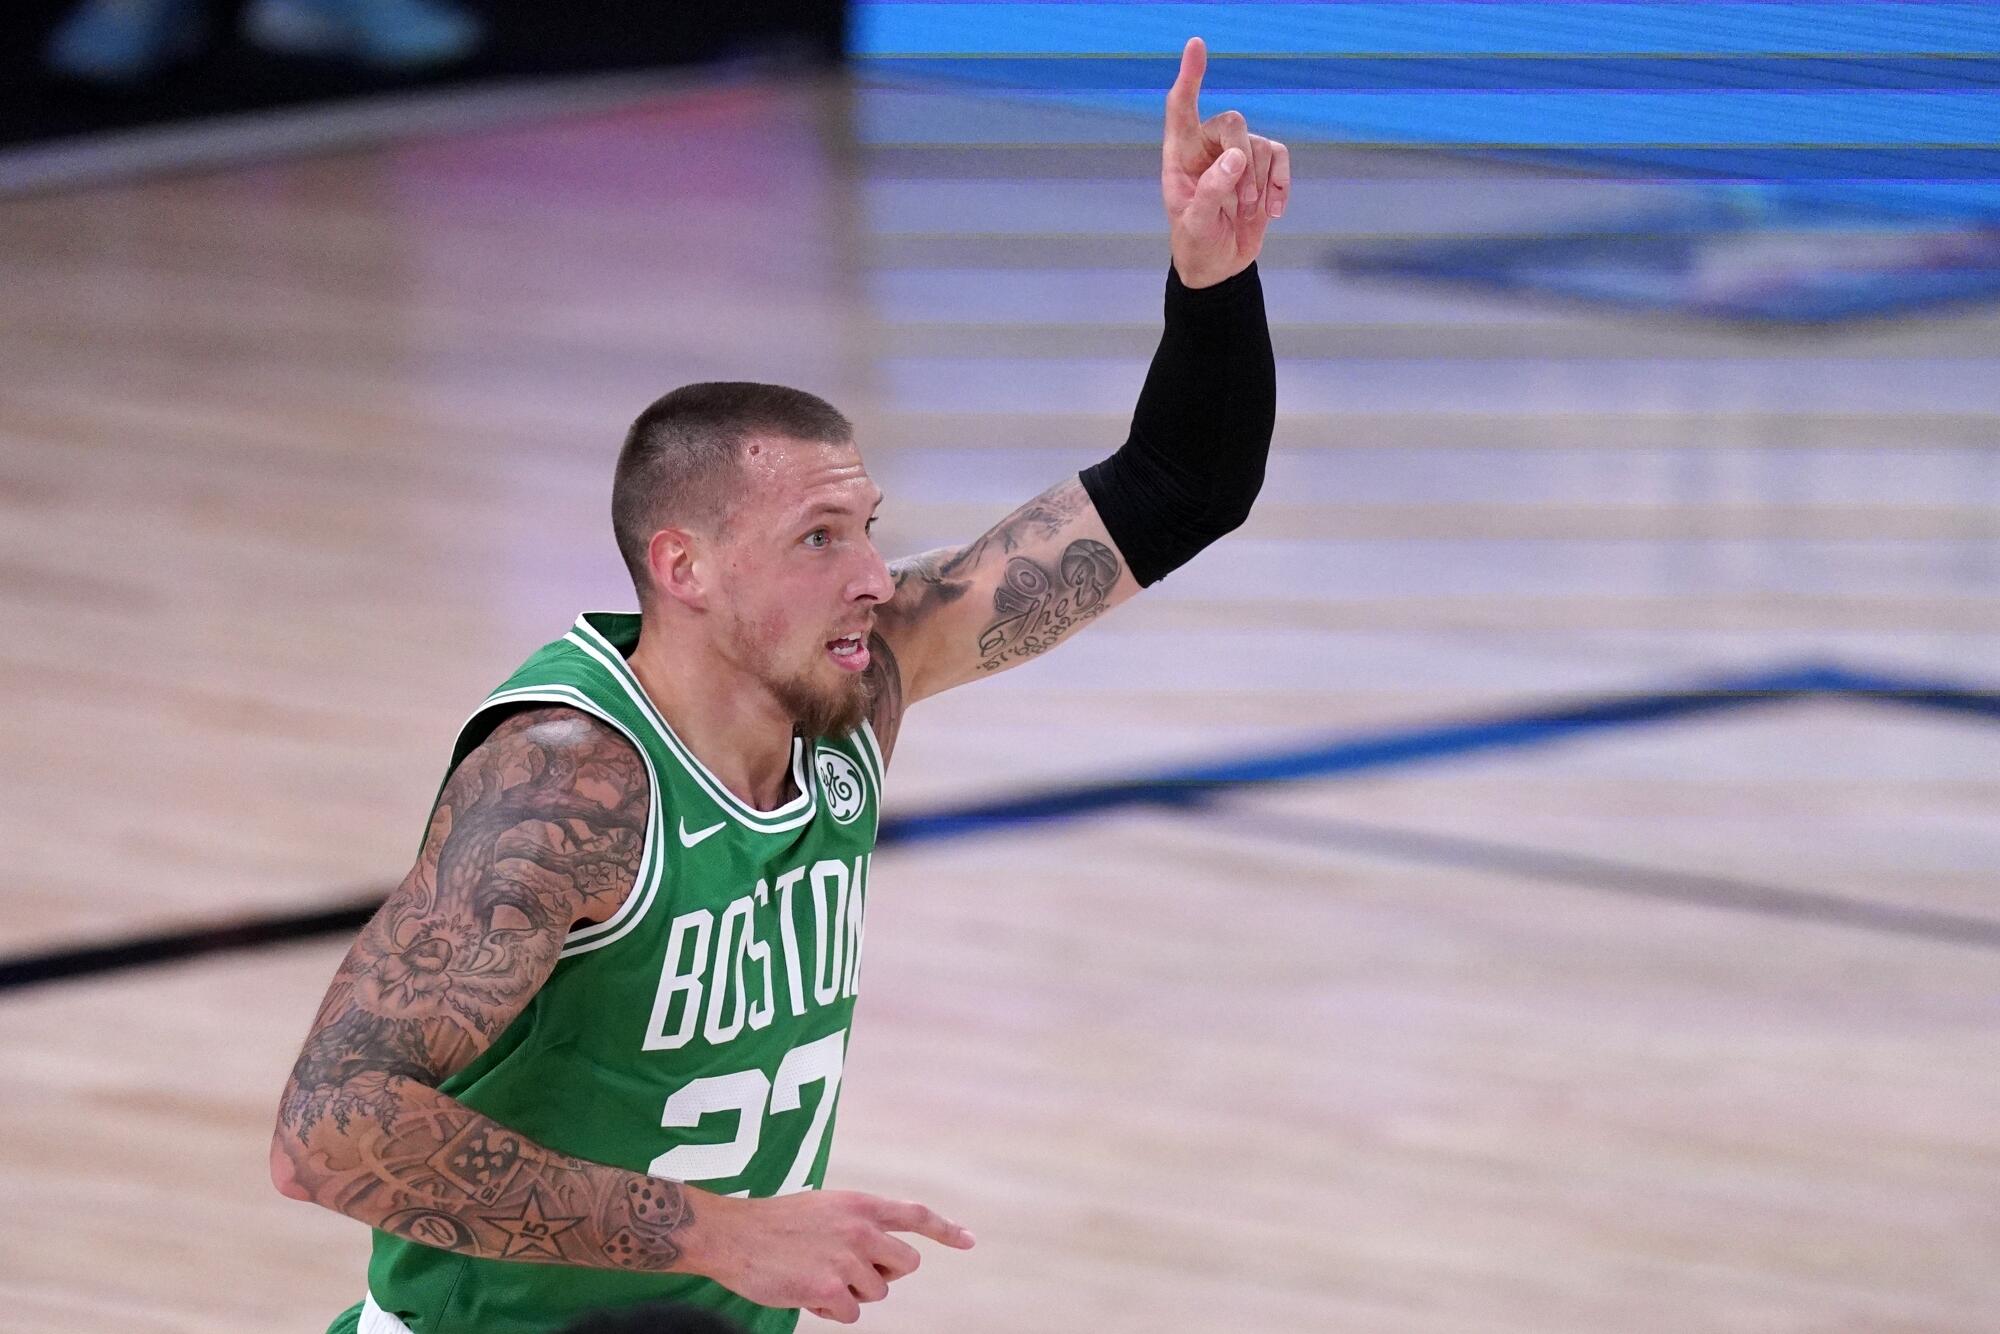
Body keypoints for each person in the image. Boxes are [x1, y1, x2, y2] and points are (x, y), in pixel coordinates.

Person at [270, 35, 1287, 1334]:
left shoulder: (861, 685)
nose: (873, 571)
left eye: (867, 524)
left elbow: (1179, 486)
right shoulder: (567, 783)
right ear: (682, 565)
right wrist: (715, 1230)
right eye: (819, 538)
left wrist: (1214, 279)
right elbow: (324, 1134)